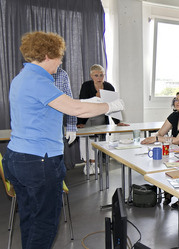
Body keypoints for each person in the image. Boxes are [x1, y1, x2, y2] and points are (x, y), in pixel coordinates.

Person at [2, 31, 124, 249]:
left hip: (17, 158)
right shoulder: (38, 81)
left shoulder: (22, 78)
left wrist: (92, 100)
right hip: (39, 161)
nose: (60, 62)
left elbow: (64, 102)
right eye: (59, 57)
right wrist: (110, 106)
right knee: (45, 224)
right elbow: (74, 108)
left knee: (30, 218)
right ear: (48, 55)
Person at [77, 64, 129, 174]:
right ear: (91, 76)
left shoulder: (109, 87)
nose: (99, 78)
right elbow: (82, 103)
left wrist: (118, 122)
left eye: (101, 75)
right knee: (84, 140)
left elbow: (114, 105)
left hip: (100, 117)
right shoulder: (86, 86)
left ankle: (94, 163)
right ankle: (87, 165)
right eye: (96, 75)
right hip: (86, 117)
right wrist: (80, 122)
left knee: (97, 141)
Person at [52, 67, 77, 145]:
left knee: (56, 155)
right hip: (34, 126)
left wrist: (71, 127)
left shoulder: (62, 74)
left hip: (56, 125)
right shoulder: (29, 73)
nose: (60, 62)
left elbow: (69, 102)